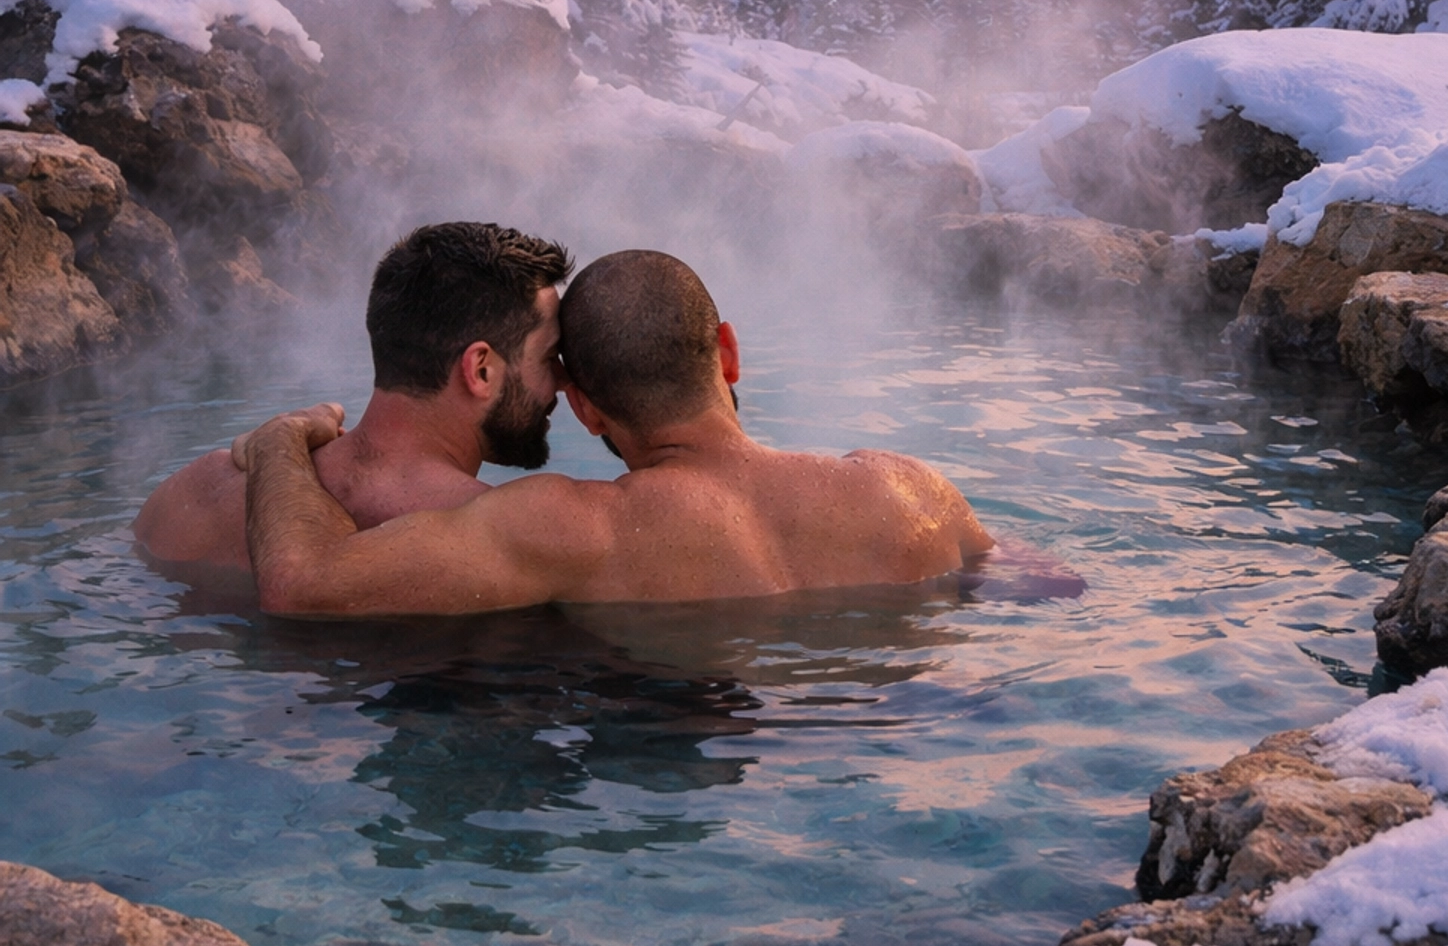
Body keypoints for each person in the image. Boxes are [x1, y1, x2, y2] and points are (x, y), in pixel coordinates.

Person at [236, 248, 996, 615]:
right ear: (727, 352)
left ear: (585, 409)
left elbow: (303, 586)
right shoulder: (908, 487)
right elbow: (1048, 587)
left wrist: (279, 444)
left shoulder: (572, 527)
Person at [133, 222, 571, 572]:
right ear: (480, 370)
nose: (564, 381)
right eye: (549, 357)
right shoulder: (503, 540)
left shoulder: (194, 491)